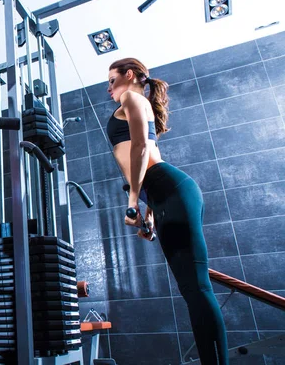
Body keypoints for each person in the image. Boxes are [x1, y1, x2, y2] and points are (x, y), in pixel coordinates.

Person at [106, 58, 228, 364]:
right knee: (191, 289)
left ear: (129, 75)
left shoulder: (132, 97)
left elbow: (141, 148)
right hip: (163, 195)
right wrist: (148, 214)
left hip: (172, 189)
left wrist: (133, 201)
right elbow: (145, 163)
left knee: (196, 288)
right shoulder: (134, 101)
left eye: (111, 80)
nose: (109, 88)